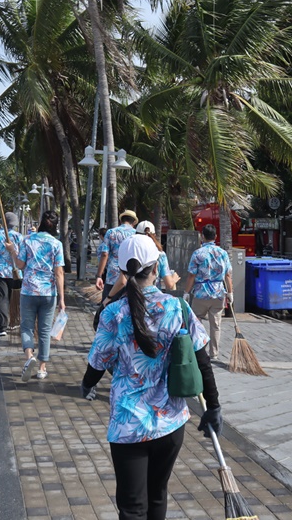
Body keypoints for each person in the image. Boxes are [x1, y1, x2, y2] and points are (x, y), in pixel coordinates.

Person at [82, 234, 222, 520]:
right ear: (156, 268)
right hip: (170, 422)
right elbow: (201, 360)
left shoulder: (113, 313)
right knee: (158, 494)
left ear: (123, 271)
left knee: (132, 507)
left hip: (128, 423)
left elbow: (98, 362)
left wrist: (87, 384)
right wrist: (214, 406)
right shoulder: (178, 307)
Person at [8, 210, 66, 381]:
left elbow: (20, 264)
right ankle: (42, 368)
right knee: (44, 331)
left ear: (40, 222)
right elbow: (59, 272)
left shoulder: (28, 240)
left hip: (28, 291)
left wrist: (12, 251)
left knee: (26, 327)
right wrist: (62, 298)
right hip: (48, 293)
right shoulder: (56, 244)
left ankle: (29, 357)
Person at [183, 224, 233, 360]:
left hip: (201, 293)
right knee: (216, 324)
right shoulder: (223, 253)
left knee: (196, 321)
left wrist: (186, 292)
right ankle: (214, 353)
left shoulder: (198, 254)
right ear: (215, 236)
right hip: (218, 293)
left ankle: (199, 349)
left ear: (202, 236)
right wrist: (230, 293)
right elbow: (228, 275)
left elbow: (191, 275)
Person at [103, 220, 178, 303]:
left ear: (135, 234)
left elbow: (122, 281)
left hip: (132, 298)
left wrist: (109, 297)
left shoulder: (131, 253)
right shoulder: (160, 255)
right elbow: (169, 284)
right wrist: (174, 279)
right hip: (154, 300)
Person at [0, 212, 23, 336]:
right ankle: (14, 322)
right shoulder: (19, 236)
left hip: (0, 271)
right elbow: (22, 254)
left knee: (3, 298)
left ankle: (2, 327)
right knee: (15, 298)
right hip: (16, 272)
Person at [95, 209, 138, 301]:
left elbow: (104, 254)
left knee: (108, 304)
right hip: (131, 277)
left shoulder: (111, 232)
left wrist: (99, 275)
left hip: (112, 276)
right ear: (134, 222)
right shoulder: (137, 234)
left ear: (120, 220)